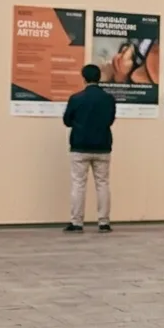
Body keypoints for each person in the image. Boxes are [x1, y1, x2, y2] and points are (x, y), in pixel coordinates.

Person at [62, 64, 117, 233]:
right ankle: (104, 222)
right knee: (103, 184)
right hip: (102, 146)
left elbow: (67, 121)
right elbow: (110, 120)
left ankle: (77, 222)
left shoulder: (76, 98)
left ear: (83, 78)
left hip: (80, 146)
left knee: (78, 184)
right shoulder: (109, 99)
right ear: (99, 78)